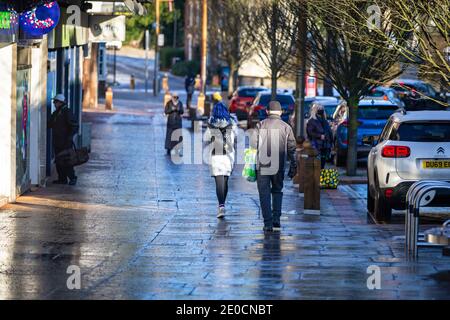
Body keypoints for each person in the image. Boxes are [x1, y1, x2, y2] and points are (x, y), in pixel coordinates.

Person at [250, 101, 297, 232]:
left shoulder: (260, 125)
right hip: (279, 165)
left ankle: (267, 223)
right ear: (281, 112)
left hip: (262, 165)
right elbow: (292, 148)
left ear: (267, 112)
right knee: (277, 191)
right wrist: (294, 165)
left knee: (264, 194)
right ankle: (276, 219)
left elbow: (253, 145)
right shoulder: (286, 127)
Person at [205, 92, 237, 219]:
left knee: (218, 180)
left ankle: (221, 205)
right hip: (228, 155)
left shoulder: (211, 123)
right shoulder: (231, 123)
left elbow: (207, 138)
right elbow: (234, 139)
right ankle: (223, 204)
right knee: (225, 179)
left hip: (216, 154)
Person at [48, 94, 79, 185]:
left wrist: (69, 137)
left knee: (66, 161)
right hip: (58, 141)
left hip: (65, 142)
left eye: (55, 102)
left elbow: (74, 125)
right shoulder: (57, 112)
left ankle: (72, 178)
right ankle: (62, 179)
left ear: (60, 102)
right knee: (59, 161)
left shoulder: (66, 112)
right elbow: (51, 123)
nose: (54, 103)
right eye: (54, 102)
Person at [306, 102, 333, 169]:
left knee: (322, 164)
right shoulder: (312, 121)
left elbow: (329, 132)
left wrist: (331, 143)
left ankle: (320, 177)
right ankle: (316, 178)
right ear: (314, 110)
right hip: (316, 145)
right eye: (318, 108)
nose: (320, 110)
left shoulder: (325, 121)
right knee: (317, 164)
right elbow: (310, 132)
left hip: (325, 145)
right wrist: (319, 136)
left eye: (321, 108)